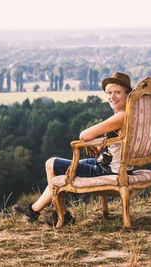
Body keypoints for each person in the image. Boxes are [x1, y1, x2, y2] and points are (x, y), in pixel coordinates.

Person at [13, 72, 133, 225]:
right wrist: (102, 142)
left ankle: (62, 214)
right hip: (120, 166)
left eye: (117, 92)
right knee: (69, 167)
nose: (112, 96)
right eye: (109, 92)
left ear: (128, 94)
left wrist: (96, 142)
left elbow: (84, 135)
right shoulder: (131, 115)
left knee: (51, 163)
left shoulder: (121, 116)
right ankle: (34, 210)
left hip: (108, 170)